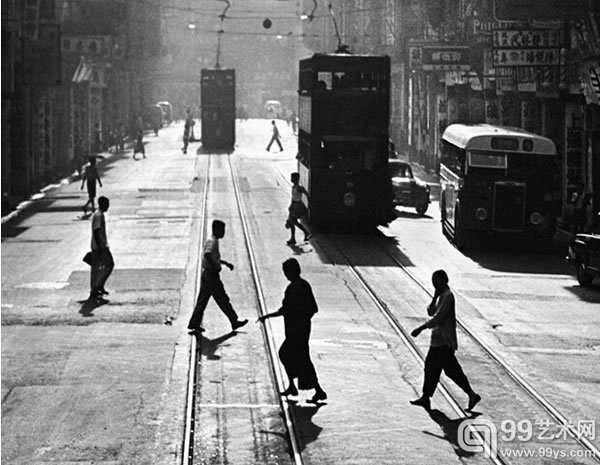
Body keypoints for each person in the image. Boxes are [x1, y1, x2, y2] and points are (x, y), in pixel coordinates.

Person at [410, 270, 481, 412]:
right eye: (434, 282)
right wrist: (434, 297)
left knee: (441, 368)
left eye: (437, 282)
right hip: (438, 341)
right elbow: (430, 311)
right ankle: (470, 394)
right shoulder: (442, 296)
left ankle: (469, 394)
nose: (435, 285)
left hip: (444, 342)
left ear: (444, 281)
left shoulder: (448, 297)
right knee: (440, 368)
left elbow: (438, 317)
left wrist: (421, 328)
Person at [258, 258, 327, 403]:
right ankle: (299, 387)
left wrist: (268, 316)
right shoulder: (304, 285)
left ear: (292, 271)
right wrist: (304, 319)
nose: (285, 275)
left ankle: (314, 390)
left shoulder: (294, 288)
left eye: (286, 272)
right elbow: (313, 308)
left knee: (291, 356)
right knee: (299, 358)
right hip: (301, 330)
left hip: (296, 332)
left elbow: (286, 310)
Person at [187, 220, 248, 334]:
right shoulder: (213, 241)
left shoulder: (214, 241)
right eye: (222, 230)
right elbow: (208, 254)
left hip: (207, 274)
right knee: (222, 298)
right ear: (216, 229)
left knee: (202, 300)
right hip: (211, 275)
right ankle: (234, 321)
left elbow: (212, 257)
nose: (224, 232)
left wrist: (224, 263)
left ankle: (194, 323)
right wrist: (215, 265)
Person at [89, 196, 114, 299]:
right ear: (101, 204)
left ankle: (98, 286)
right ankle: (96, 286)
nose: (108, 206)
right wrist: (100, 247)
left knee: (101, 267)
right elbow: (96, 231)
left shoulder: (98, 214)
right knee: (108, 265)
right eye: (106, 204)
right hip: (100, 246)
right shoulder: (98, 215)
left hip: (100, 245)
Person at [285, 172, 311, 245]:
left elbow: (306, 194)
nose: (291, 179)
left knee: (292, 221)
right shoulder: (294, 187)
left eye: (292, 178)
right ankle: (301, 234)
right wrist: (291, 205)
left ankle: (302, 234)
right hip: (294, 205)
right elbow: (293, 197)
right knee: (294, 222)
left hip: (297, 206)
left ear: (296, 179)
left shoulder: (299, 188)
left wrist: (308, 203)